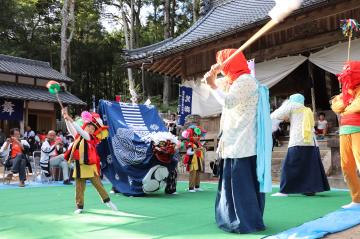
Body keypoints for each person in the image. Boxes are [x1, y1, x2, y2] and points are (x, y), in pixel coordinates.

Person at [205, 49, 271, 233]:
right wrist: (213, 75)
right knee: (233, 182)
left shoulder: (246, 81)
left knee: (241, 184)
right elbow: (209, 84)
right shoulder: (233, 81)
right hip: (233, 139)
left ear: (230, 63)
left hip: (243, 141)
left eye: (222, 61)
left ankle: (244, 221)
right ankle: (230, 216)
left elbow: (228, 101)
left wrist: (213, 85)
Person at [271, 94, 330, 197]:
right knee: (310, 166)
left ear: (292, 100)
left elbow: (275, 115)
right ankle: (310, 189)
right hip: (311, 142)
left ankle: (284, 190)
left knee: (289, 165)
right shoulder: (307, 109)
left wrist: (285, 105)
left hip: (298, 140)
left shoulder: (292, 105)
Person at [62, 108, 118, 214]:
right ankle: (79, 206)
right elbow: (71, 130)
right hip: (79, 165)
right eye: (89, 127)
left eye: (93, 129)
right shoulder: (78, 136)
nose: (91, 129)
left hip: (90, 166)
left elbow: (79, 130)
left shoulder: (90, 137)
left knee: (98, 185)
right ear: (85, 126)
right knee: (79, 187)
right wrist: (66, 119)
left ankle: (108, 201)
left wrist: (70, 118)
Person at [331, 61, 360, 209]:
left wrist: (345, 106)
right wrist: (347, 103)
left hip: (358, 130)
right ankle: (356, 199)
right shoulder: (345, 92)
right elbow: (335, 106)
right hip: (344, 131)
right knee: (346, 167)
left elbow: (357, 106)